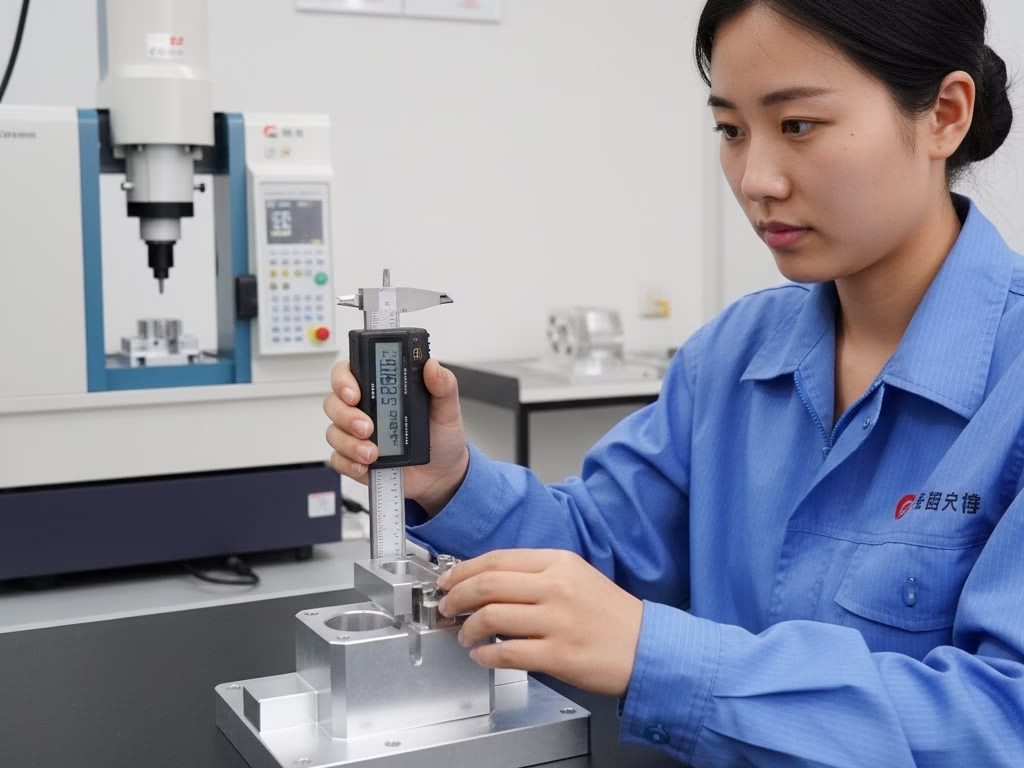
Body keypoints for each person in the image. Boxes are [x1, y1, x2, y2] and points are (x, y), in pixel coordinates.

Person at [324, 0, 1024, 764]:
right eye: (730, 130)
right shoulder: (731, 355)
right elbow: (598, 554)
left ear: (946, 116)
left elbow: (999, 721)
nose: (755, 179)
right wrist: (450, 480)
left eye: (798, 126)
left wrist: (658, 655)